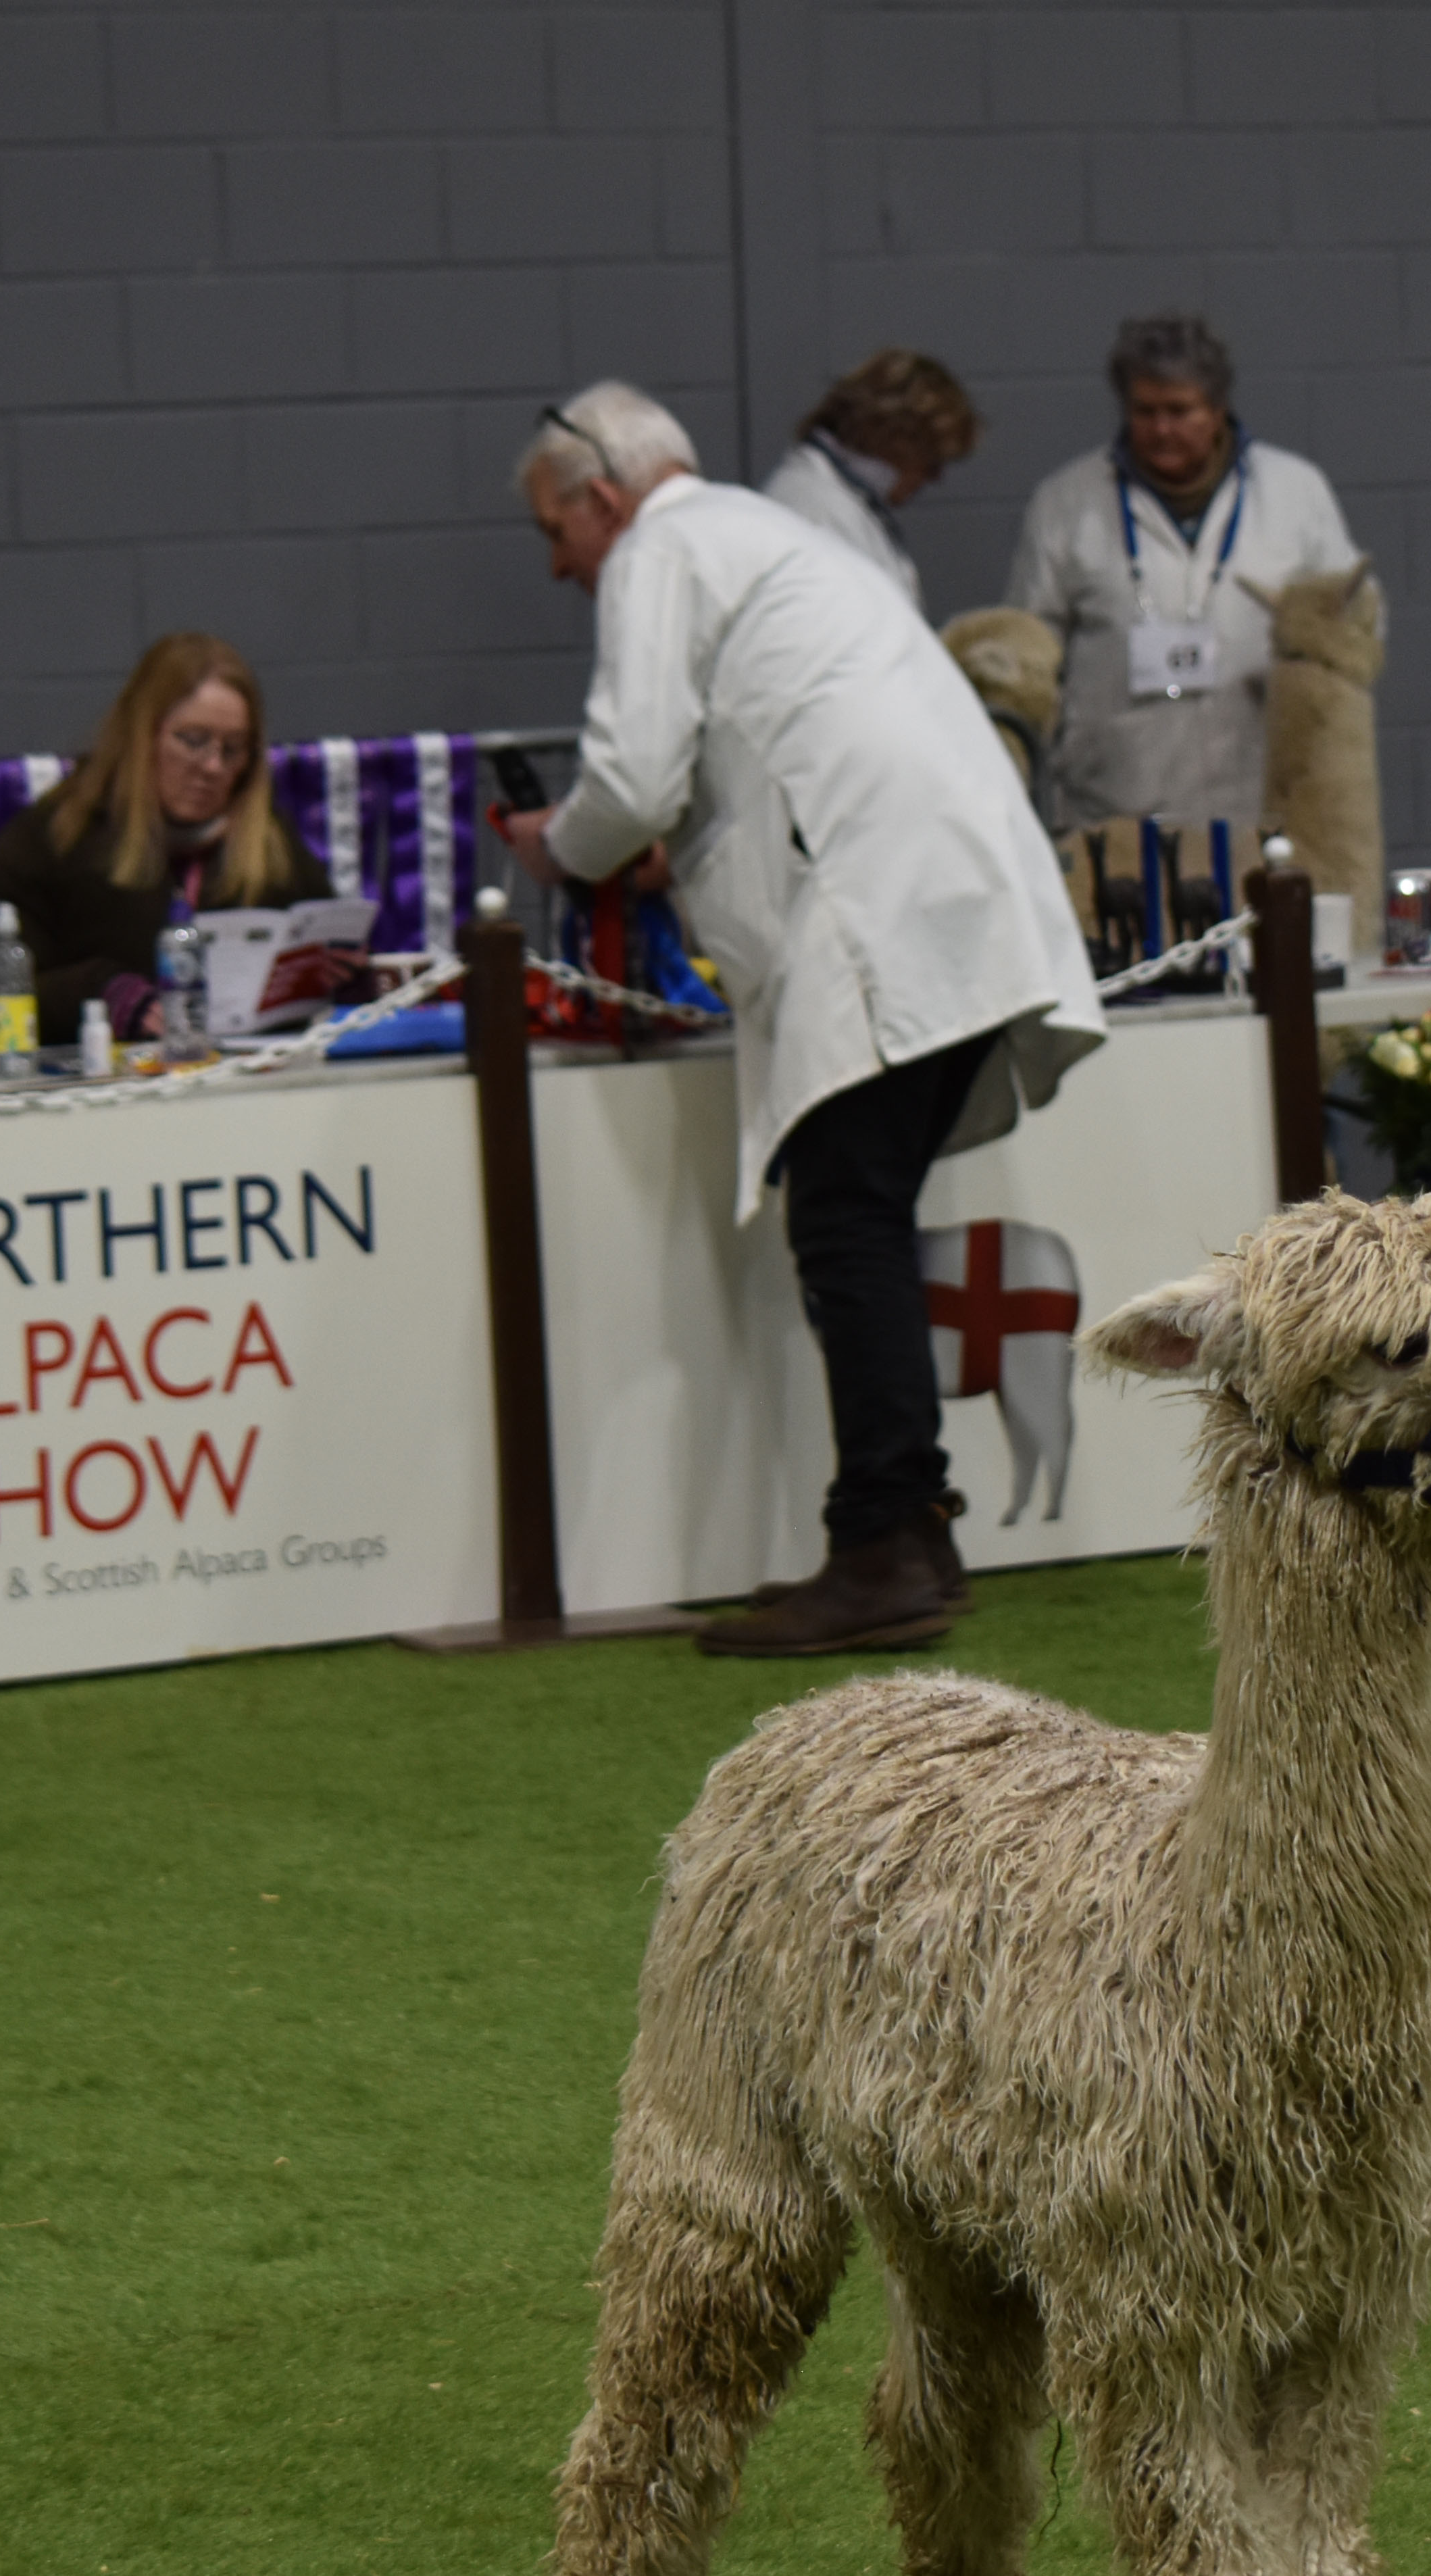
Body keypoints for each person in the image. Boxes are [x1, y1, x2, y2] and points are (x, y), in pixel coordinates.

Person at [500, 380, 1106, 1658]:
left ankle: (883, 1540)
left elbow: (629, 777)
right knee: (859, 1213)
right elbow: (764, 750)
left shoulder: (661, 549)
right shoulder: (765, 536)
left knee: (845, 1221)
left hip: (880, 915)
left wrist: (558, 846)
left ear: (601, 497)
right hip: (948, 899)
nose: (556, 568)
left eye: (554, 534)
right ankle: (907, 1534)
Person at [1003, 311, 1361, 834]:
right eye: (1144, 411)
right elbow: (1027, 651)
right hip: (1112, 808)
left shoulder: (1295, 492)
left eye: (1179, 410)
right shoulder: (1066, 503)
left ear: (1217, 409)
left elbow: (1354, 628)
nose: (1161, 429)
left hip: (1260, 800)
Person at [0, 630, 334, 1045]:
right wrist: (97, 993)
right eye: (193, 741)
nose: (213, 767)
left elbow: (325, 942)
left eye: (234, 749)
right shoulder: (60, 834)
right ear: (142, 735)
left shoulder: (267, 842)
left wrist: (343, 980)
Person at [760, 347, 981, 616]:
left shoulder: (841, 500)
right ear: (897, 440)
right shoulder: (815, 510)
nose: (936, 479)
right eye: (932, 463)